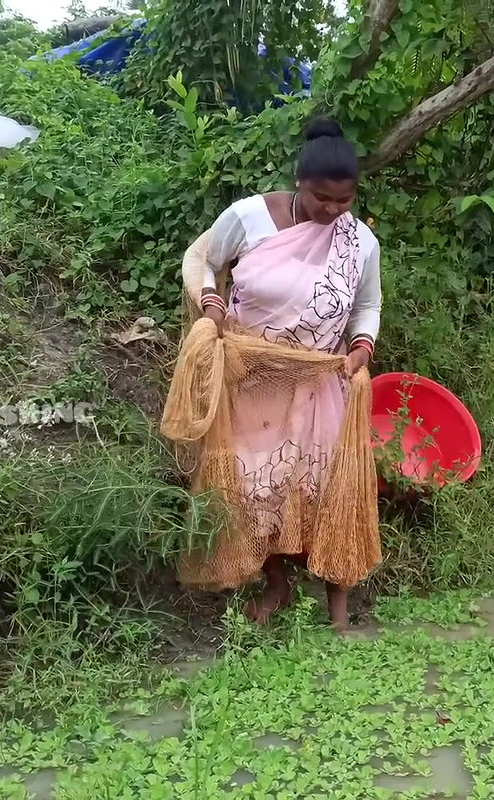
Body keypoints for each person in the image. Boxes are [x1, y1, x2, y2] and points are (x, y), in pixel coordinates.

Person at [177, 118, 381, 631]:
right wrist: (211, 303)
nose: (331, 211)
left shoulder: (359, 241)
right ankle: (276, 584)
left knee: (326, 488)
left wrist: (361, 346)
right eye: (321, 198)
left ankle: (338, 611)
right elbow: (204, 260)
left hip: (320, 386)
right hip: (251, 382)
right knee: (252, 489)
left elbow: (367, 305)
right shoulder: (249, 216)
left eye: (344, 201)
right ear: (299, 182)